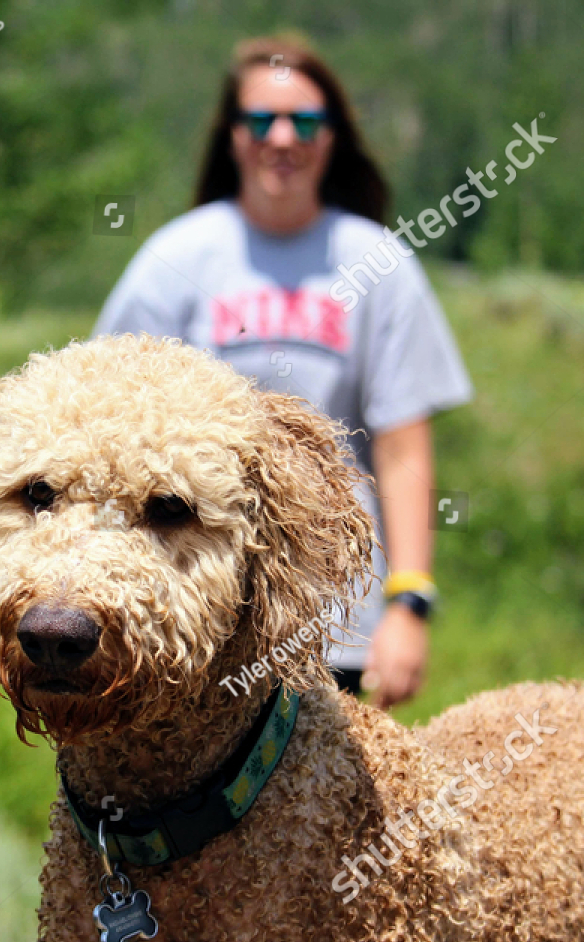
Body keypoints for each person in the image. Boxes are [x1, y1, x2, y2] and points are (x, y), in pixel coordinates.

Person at [92, 35, 472, 708]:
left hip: (338, 615)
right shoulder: (176, 257)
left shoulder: (377, 262)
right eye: (263, 120)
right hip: (193, 612)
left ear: (333, 138)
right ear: (233, 136)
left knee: (325, 809)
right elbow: (104, 425)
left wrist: (408, 602)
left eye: (307, 121)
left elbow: (402, 446)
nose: (284, 137)